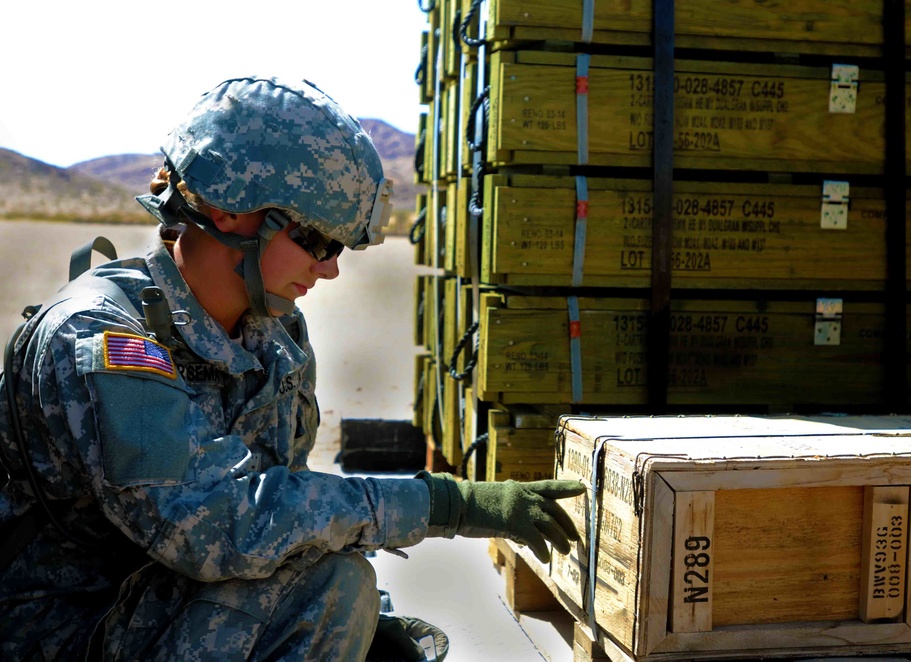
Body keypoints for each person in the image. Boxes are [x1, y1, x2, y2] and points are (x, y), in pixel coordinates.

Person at [0, 75, 585, 661]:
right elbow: (216, 525)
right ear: (230, 211)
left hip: (165, 604)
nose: (328, 271)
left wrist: (366, 626)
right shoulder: (101, 337)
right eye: (315, 241)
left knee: (341, 587)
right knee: (335, 588)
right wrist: (443, 505)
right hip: (69, 630)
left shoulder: (274, 336)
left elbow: (293, 523)